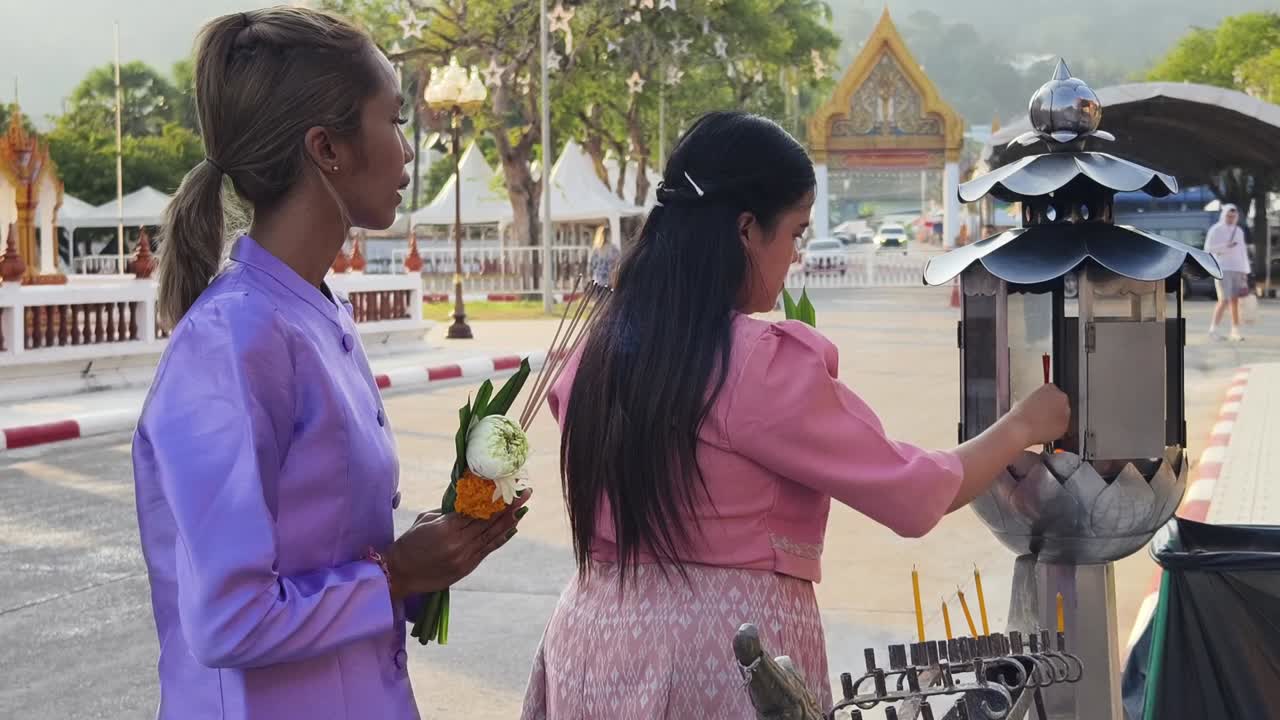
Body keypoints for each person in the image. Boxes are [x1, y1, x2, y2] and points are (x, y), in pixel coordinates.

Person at [520, 112, 1070, 719]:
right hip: (718, 658)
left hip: (590, 639)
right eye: (796, 234)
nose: (796, 258)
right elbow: (914, 492)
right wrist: (1023, 424)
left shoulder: (594, 353)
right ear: (747, 230)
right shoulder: (757, 362)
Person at [133, 9, 527, 719]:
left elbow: (331, 557)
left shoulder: (316, 312)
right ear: (327, 149)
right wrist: (397, 573)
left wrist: (435, 555)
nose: (410, 152)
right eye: (395, 121)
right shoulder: (234, 340)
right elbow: (230, 620)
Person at [1205, 204, 1250, 341]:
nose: (1231, 219)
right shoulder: (1215, 230)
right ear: (1224, 215)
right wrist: (1226, 247)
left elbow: (1243, 252)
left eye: (1233, 216)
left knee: (1235, 300)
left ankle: (1235, 331)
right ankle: (1213, 330)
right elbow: (1208, 249)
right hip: (1222, 268)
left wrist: (1245, 272)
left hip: (1237, 268)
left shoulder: (1239, 231)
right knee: (1224, 300)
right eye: (1228, 216)